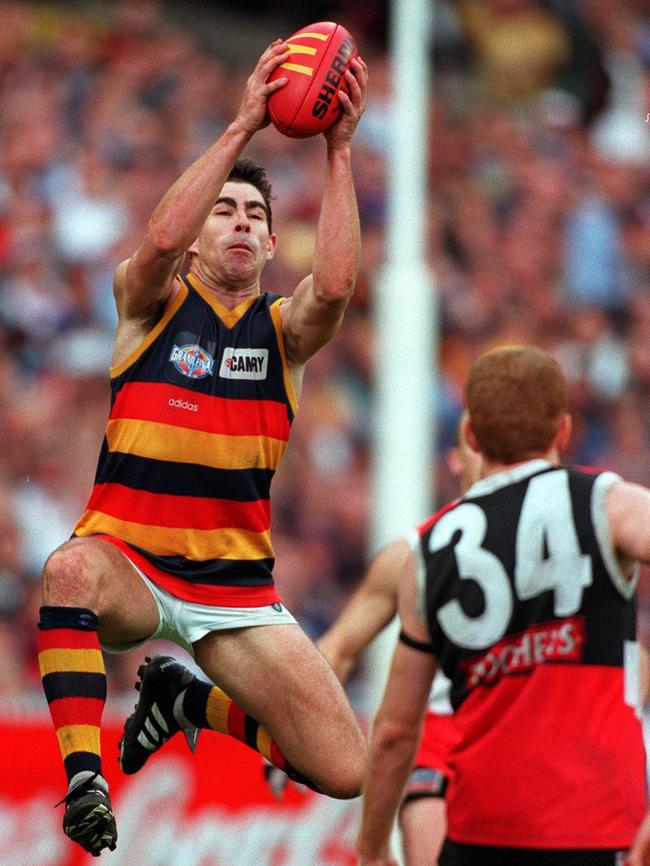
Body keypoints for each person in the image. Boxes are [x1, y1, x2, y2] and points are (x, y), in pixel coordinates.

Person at [37, 40, 368, 857]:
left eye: (256, 215)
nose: (243, 223)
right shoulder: (148, 303)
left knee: (345, 767)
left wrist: (339, 148)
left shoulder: (281, 334)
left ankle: (185, 704)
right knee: (68, 570)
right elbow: (152, 243)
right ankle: (86, 779)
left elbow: (333, 289)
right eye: (225, 210)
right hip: (132, 564)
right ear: (196, 235)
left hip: (235, 591)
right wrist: (244, 124)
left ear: (270, 246)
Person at [356, 345, 649, 866]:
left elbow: (396, 731)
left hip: (481, 832)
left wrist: (373, 848)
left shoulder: (427, 552)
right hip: (601, 828)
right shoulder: (609, 503)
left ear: (471, 436)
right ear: (564, 431)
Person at [301, 419, 480, 866]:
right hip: (436, 754)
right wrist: (291, 731)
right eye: (483, 446)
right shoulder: (412, 554)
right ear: (457, 459)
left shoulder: (560, 537)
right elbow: (338, 650)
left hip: (519, 742)